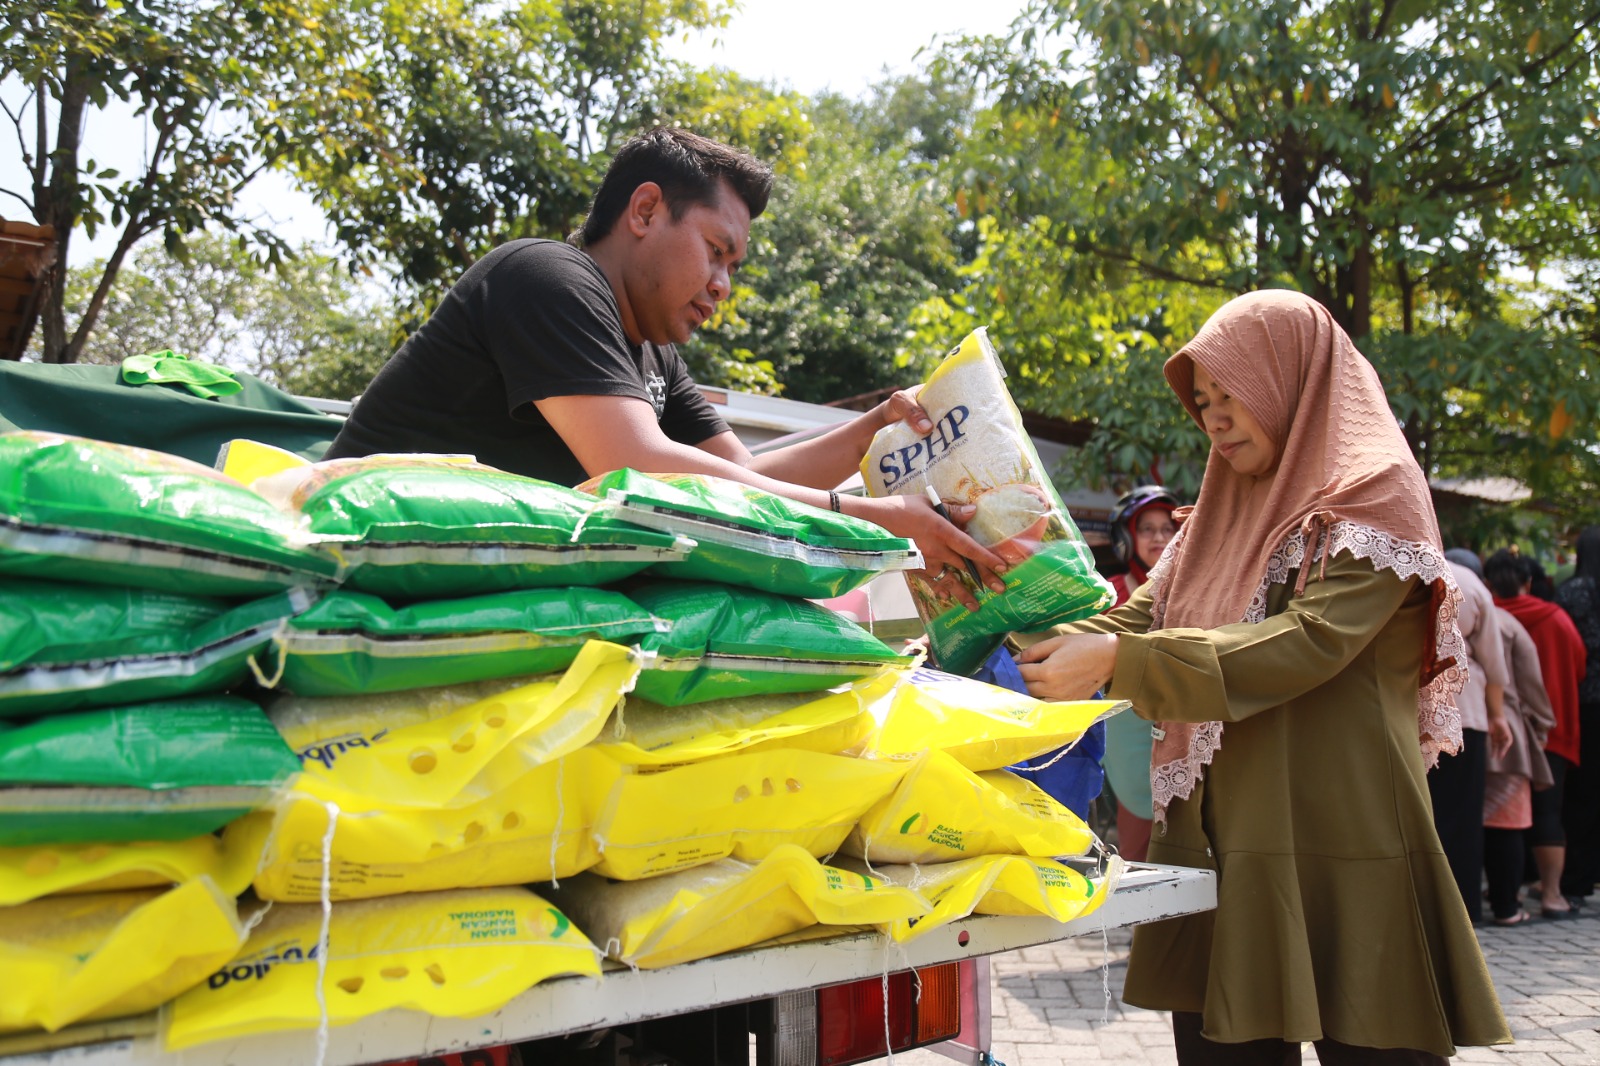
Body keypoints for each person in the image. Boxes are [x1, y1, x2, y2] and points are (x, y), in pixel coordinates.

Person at [1011, 289, 1507, 1062]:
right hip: (1224, 837)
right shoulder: (1217, 508)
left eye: (1230, 393)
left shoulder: (1373, 490)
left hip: (1346, 835)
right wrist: (1009, 616)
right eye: (1202, 401)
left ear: (1288, 377)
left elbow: (1306, 644)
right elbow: (1137, 621)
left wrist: (1120, 662)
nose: (1213, 418)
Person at [322, 127, 1005, 603]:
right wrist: (878, 517)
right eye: (715, 250)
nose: (723, 286)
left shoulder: (655, 356)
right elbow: (638, 464)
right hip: (352, 564)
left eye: (734, 267)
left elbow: (740, 481)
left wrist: (871, 430)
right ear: (645, 210)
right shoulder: (547, 278)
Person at [1486, 548, 1587, 918]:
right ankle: (1551, 893)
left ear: (1487, 582)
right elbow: (1578, 666)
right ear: (1530, 582)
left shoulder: (1481, 615)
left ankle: (1498, 890)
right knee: (1546, 811)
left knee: (1490, 813)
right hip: (1547, 728)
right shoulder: (1556, 619)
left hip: (1490, 728)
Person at [1432, 551, 1512, 923]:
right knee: (1461, 815)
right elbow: (1494, 663)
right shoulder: (1470, 582)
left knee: (1421, 811)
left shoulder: (1404, 565)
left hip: (1407, 710)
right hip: (1466, 711)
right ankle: (1463, 908)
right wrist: (1498, 716)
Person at [1100, 485, 1180, 863]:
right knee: (1138, 852)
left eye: (1167, 528)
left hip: (1186, 729)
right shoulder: (1109, 594)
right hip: (1128, 741)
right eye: (1146, 528)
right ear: (1126, 538)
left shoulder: (1198, 590)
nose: (1159, 537)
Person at [1483, 599, 1557, 925]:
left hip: (1451, 724)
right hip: (1505, 731)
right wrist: (1542, 722)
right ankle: (1506, 906)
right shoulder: (1506, 623)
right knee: (1507, 820)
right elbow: (1530, 678)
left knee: (1460, 818)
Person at [1554, 525, 1600, 905]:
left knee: (1580, 791)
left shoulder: (1573, 592)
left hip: (1583, 703)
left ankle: (1577, 878)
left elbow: (1568, 646)